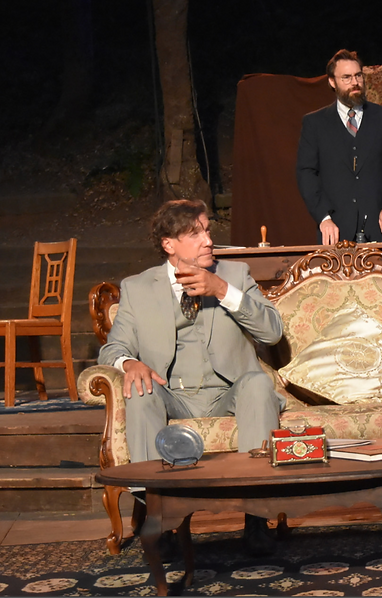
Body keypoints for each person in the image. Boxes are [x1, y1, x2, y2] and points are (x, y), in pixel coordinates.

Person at [99, 199, 285, 555]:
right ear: (169, 244)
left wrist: (222, 291)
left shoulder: (235, 275)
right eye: (194, 233)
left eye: (208, 231)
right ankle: (159, 516)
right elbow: (113, 348)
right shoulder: (138, 288)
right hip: (174, 394)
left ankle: (257, 519)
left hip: (229, 391)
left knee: (259, 383)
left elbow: (273, 332)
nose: (207, 240)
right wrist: (128, 363)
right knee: (140, 389)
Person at [296, 49, 382, 245]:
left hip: (379, 230)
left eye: (358, 76)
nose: (355, 82)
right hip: (336, 232)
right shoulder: (315, 124)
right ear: (332, 82)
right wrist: (324, 218)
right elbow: (306, 173)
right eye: (346, 78)